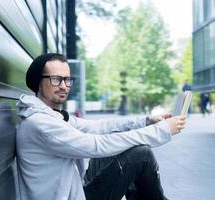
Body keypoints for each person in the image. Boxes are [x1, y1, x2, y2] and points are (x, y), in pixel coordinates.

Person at [16, 53, 186, 200]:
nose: (63, 86)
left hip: (75, 187)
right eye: (56, 79)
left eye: (67, 79)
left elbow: (98, 127)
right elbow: (97, 146)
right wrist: (162, 130)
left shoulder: (53, 115)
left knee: (122, 145)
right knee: (141, 154)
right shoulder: (40, 123)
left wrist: (147, 121)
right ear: (38, 82)